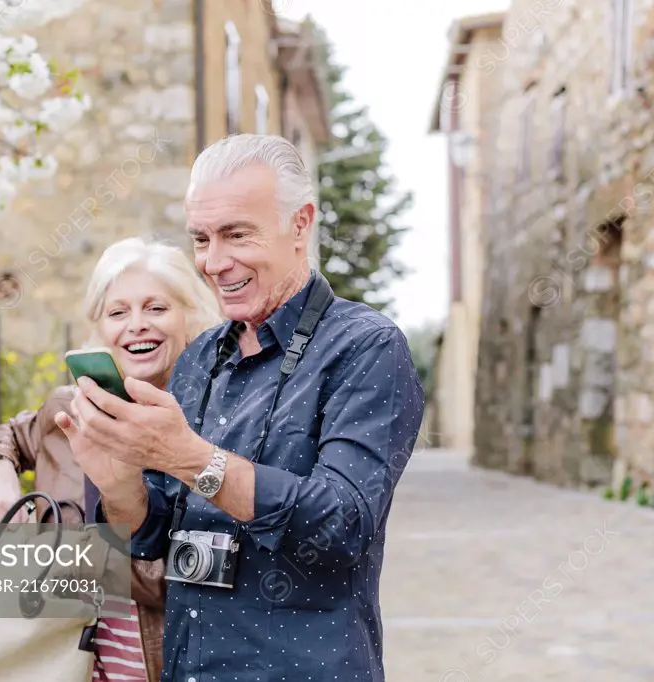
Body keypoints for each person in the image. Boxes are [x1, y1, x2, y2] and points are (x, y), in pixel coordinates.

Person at [55, 134, 426, 682]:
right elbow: (152, 534)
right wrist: (119, 484)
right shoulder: (200, 355)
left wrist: (191, 460)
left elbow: (343, 525)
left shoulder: (365, 347)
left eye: (236, 235)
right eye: (201, 239)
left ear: (301, 224)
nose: (214, 262)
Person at [0, 235, 223, 682]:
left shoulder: (217, 426)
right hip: (60, 661)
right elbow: (10, 435)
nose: (137, 325)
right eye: (118, 312)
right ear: (100, 327)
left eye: (157, 308)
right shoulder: (73, 408)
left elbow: (196, 580)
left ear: (191, 317)